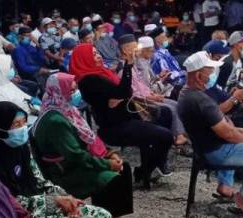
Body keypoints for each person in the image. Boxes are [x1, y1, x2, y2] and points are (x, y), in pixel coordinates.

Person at [0, 102, 116, 218]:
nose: (22, 128)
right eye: (16, 125)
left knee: (102, 216)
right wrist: (55, 202)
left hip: (46, 206)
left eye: (24, 123)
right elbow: (12, 204)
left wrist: (67, 200)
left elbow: (40, 181)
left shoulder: (22, 150)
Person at [32, 73, 136, 218]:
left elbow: (89, 139)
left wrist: (109, 154)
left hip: (73, 162)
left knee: (124, 168)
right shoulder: (55, 120)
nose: (76, 93)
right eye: (71, 90)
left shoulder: (66, 109)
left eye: (75, 89)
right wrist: (107, 165)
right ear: (60, 91)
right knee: (111, 178)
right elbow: (75, 155)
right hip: (65, 171)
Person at [177, 51, 243, 216]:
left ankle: (236, 193)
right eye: (210, 72)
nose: (212, 75)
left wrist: (237, 130)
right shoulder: (200, 100)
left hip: (207, 147)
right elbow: (227, 135)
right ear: (200, 76)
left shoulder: (186, 93)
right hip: (216, 151)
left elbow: (219, 124)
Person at [69, 43, 174, 188]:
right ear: (84, 58)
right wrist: (128, 65)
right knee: (166, 136)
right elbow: (123, 92)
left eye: (97, 52)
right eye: (93, 54)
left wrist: (120, 95)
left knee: (164, 117)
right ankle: (146, 170)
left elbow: (125, 92)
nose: (98, 56)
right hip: (115, 126)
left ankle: (149, 168)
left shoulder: (102, 73)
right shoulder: (89, 80)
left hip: (127, 117)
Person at [133, 36, 187, 145]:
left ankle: (179, 133)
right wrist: (161, 82)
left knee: (176, 102)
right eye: (150, 50)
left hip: (151, 92)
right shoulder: (139, 64)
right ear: (143, 51)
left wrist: (160, 77)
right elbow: (145, 86)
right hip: (144, 97)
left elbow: (151, 80)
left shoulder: (144, 61)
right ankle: (178, 135)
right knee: (171, 106)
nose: (153, 52)